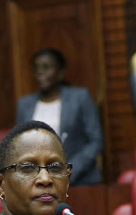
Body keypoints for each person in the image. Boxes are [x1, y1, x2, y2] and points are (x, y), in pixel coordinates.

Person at [15, 48, 103, 186]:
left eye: (46, 67)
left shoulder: (80, 97)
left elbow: (95, 141)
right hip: (39, 184)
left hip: (80, 182)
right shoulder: (24, 104)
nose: (40, 72)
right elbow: (18, 145)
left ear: (60, 72)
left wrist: (68, 170)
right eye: (36, 68)